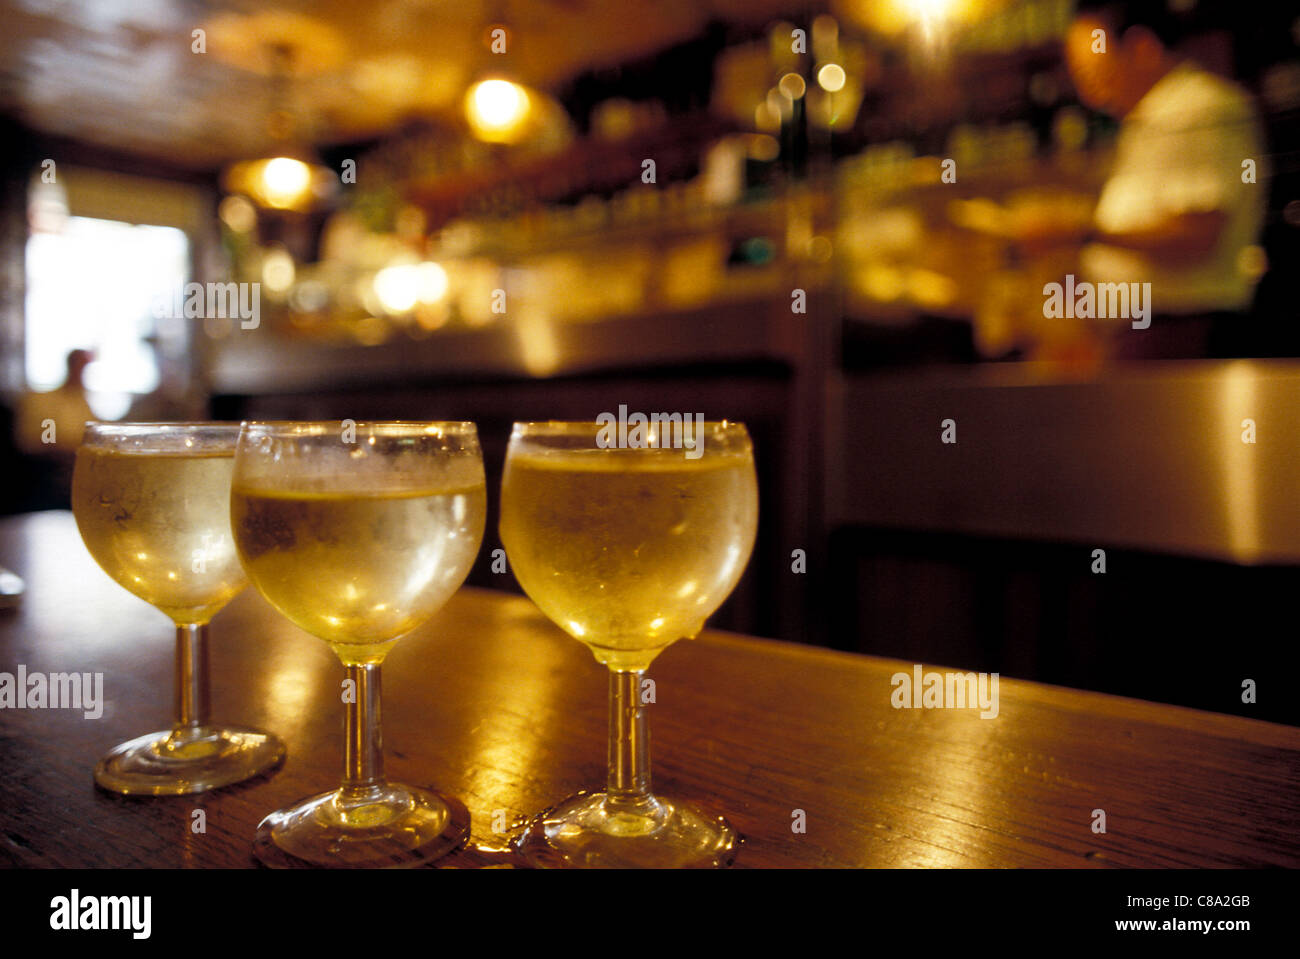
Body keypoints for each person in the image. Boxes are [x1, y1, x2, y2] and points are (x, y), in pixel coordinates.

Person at [1061, 0, 1267, 358]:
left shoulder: (1196, 107)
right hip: (1148, 333)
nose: (1089, 93)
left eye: (1095, 71)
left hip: (1186, 334)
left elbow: (1198, 234)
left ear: (1142, 47)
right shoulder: (1152, 118)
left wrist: (1080, 233)